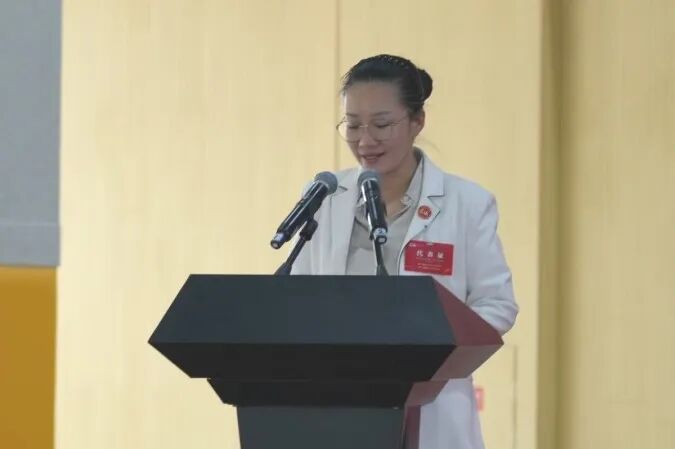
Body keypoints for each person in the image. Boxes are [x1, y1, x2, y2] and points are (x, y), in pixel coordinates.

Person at [291, 54, 518, 449]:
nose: (365, 141)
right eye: (353, 125)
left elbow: (496, 305)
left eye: (381, 125)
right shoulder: (326, 198)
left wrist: (431, 357)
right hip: (337, 405)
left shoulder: (466, 204)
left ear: (417, 121)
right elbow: (297, 299)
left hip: (430, 406)